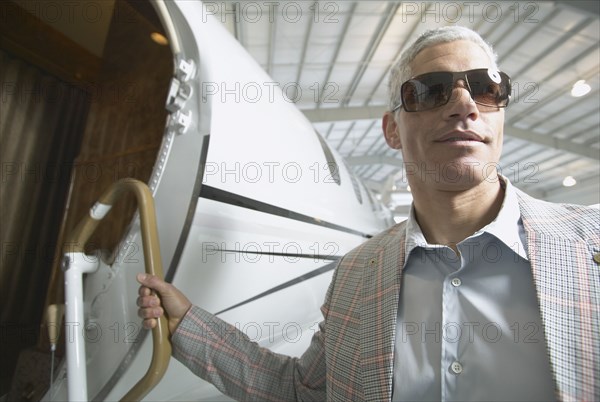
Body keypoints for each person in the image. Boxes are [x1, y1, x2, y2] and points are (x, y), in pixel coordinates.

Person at [137, 26, 599, 401]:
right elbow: (302, 391)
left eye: (486, 89)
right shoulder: (357, 274)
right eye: (430, 91)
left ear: (500, 114)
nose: (464, 106)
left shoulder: (590, 245)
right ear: (392, 130)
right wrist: (187, 326)